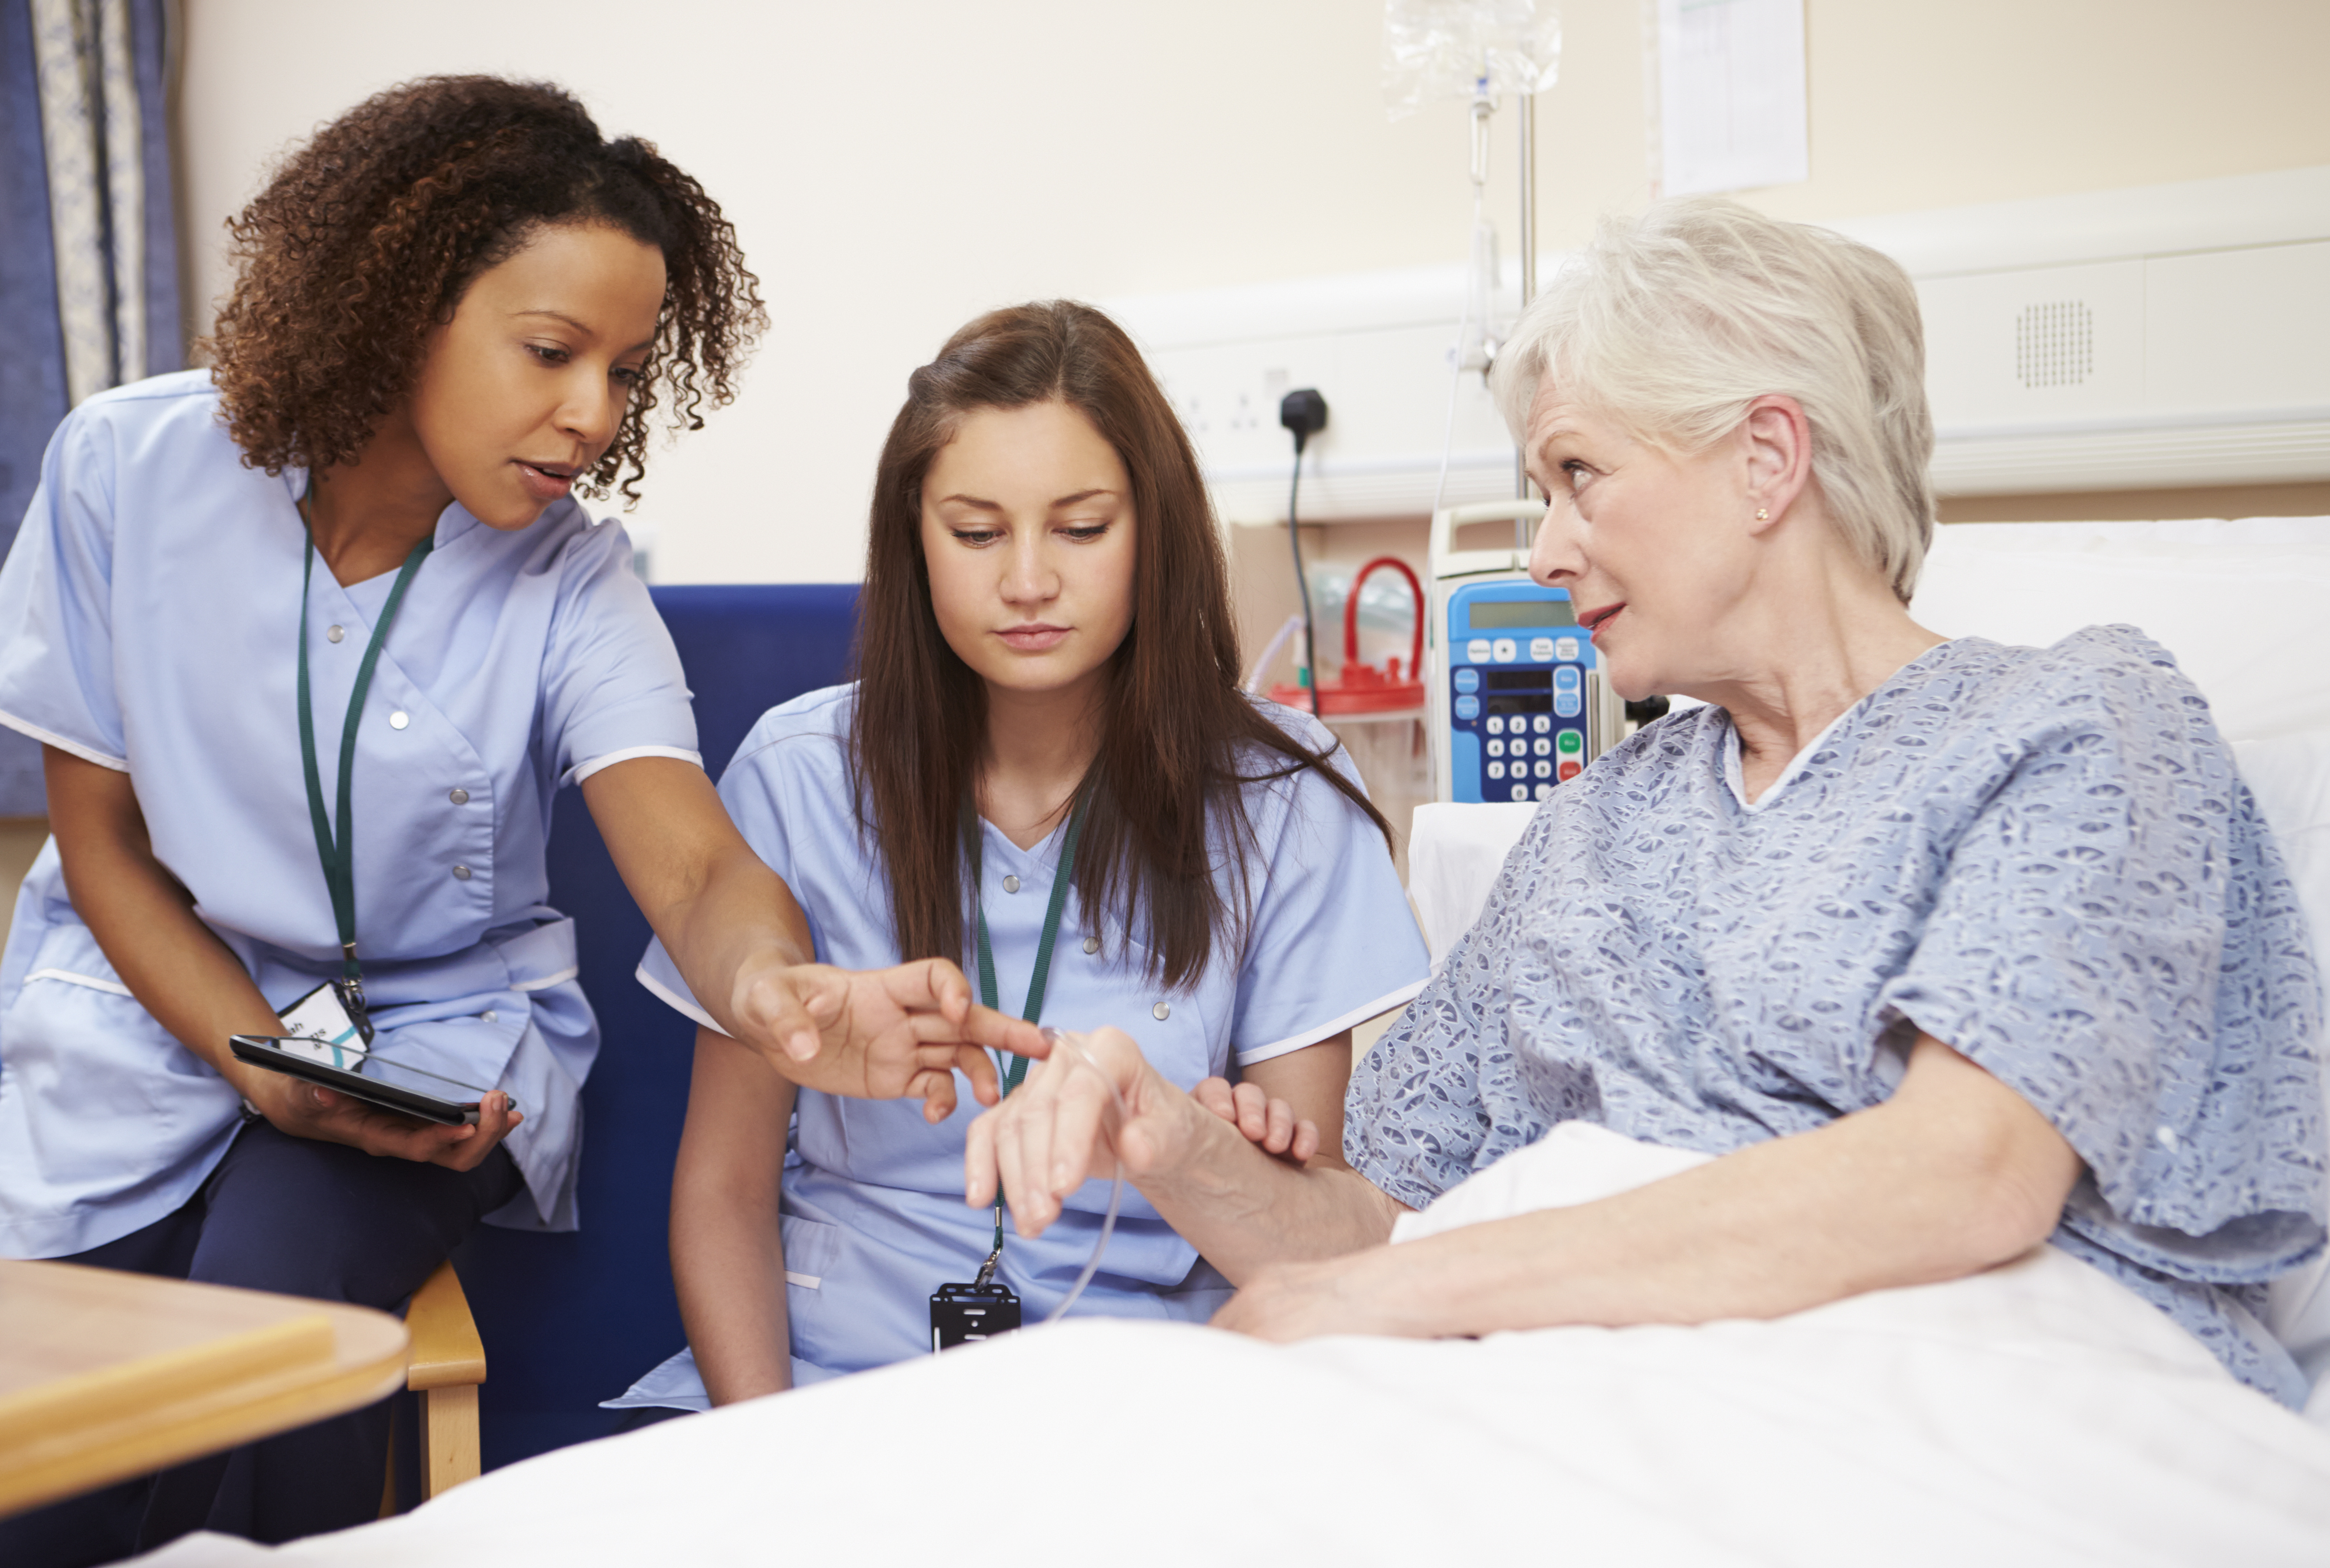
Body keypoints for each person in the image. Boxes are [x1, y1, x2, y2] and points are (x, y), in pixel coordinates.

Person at [966, 198, 2328, 1409]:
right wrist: (1172, 1142)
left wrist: (1395, 1299)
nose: (1549, 550)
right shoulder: (1595, 828)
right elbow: (1377, 1233)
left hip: (1964, 1388)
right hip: (1592, 1393)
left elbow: (1967, 1174)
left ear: (1766, 461)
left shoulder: (2079, 731)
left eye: (1578, 476)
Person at [0, 76, 1033, 1563]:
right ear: (400, 302)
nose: (595, 414)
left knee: (277, 1307)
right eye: (551, 352)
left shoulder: (572, 581)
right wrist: (255, 1062)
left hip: (426, 1058)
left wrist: (774, 991)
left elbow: (691, 852)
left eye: (625, 368)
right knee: (52, 1471)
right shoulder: (125, 469)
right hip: (150, 1016)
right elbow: (99, 843)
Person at [608, 301, 1431, 1408]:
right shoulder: (800, 776)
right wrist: (772, 1460)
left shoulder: (1281, 793)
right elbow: (723, 1189)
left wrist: (1207, 1149)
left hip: (1145, 1406)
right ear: (915, 540)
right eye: (979, 532)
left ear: (1157, 530)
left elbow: (1308, 1245)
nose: (1030, 580)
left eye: (1082, 529)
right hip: (823, 1392)